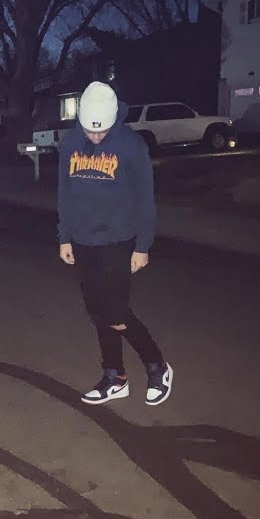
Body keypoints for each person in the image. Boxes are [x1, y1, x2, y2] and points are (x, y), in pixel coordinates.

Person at [56, 81, 174, 406]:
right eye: (90, 131)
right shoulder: (71, 143)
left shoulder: (131, 145)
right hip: (82, 240)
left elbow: (145, 199)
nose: (95, 137)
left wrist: (143, 245)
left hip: (119, 240)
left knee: (115, 311)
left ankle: (157, 365)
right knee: (97, 311)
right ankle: (115, 376)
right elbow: (65, 193)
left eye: (101, 131)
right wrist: (64, 236)